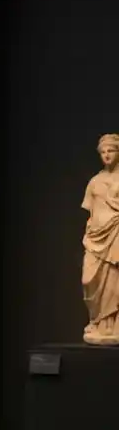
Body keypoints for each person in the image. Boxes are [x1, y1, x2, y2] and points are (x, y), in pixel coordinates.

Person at [81, 134, 119, 344]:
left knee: (115, 279)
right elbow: (90, 211)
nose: (106, 155)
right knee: (89, 279)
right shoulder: (94, 182)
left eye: (111, 150)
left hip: (117, 234)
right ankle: (97, 320)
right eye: (103, 152)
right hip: (96, 237)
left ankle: (112, 324)